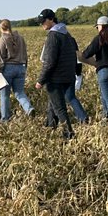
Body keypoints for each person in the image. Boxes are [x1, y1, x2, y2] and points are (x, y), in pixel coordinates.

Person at [34, 9, 80, 137]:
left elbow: (49, 61)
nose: (41, 24)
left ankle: (69, 134)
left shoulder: (53, 36)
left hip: (56, 78)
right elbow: (73, 57)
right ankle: (49, 128)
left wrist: (40, 80)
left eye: (43, 21)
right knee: (52, 104)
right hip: (68, 76)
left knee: (60, 108)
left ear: (51, 20)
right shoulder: (67, 34)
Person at [0, 19, 34, 120]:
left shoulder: (2, 40)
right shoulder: (20, 38)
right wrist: (25, 66)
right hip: (21, 67)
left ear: (1, 28)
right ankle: (29, 108)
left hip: (8, 68)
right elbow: (25, 54)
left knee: (4, 95)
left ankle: (5, 118)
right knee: (19, 92)